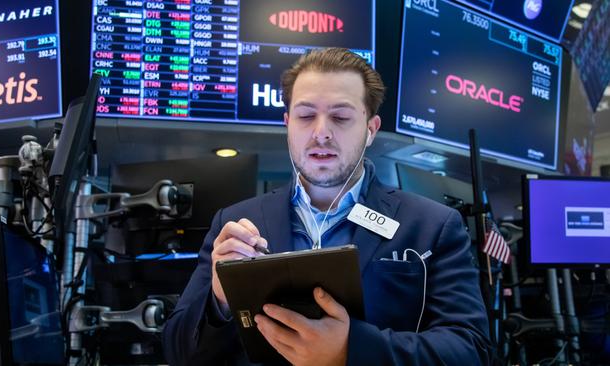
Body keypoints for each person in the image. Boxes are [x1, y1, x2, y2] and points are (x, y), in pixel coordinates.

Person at [162, 48, 492, 365]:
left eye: (341, 117)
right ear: (287, 124)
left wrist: (352, 351)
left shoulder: (432, 226)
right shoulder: (233, 224)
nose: (321, 132)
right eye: (306, 116)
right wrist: (219, 300)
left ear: (370, 129)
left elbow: (472, 349)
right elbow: (178, 353)